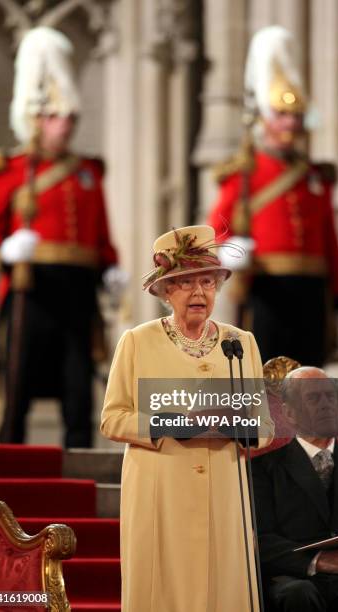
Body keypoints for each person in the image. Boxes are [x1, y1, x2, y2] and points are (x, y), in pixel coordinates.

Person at [100, 225, 275, 612]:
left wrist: (232, 422)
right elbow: (113, 419)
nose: (199, 293)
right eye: (186, 283)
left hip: (223, 491)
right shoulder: (137, 341)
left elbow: (264, 428)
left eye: (208, 282)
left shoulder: (240, 343)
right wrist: (173, 423)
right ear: (165, 291)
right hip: (160, 488)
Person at [0, 27, 126, 447]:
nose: (66, 126)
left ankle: (79, 467)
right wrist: (4, 250)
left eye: (70, 117)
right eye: (57, 117)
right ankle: (10, 472)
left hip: (78, 294)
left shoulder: (88, 173)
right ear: (36, 118)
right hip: (31, 289)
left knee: (78, 390)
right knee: (18, 386)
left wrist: (111, 265)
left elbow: (101, 233)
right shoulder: (9, 171)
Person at [208, 26, 338, 367]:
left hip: (313, 295)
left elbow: (330, 244)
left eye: (296, 115)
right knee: (266, 381)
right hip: (266, 290)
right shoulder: (244, 172)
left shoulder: (315, 177)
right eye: (281, 114)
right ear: (262, 116)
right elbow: (217, 227)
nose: (290, 123)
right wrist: (229, 252)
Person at [251, 366, 338, 612]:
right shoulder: (261, 469)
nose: (326, 404)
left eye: (330, 397)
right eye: (313, 398)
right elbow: (259, 539)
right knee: (297, 594)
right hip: (298, 579)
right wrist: (323, 561)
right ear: (289, 413)